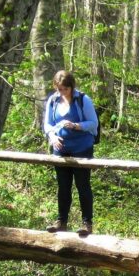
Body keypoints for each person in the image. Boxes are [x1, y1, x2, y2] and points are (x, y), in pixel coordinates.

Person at [43, 70, 99, 237]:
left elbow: (93, 123)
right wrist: (52, 136)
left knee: (82, 185)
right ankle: (61, 221)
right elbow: (47, 124)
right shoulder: (52, 101)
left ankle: (87, 223)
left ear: (71, 87)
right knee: (63, 186)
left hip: (82, 148)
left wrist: (76, 126)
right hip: (60, 150)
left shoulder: (83, 100)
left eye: (65, 89)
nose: (62, 92)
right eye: (59, 89)